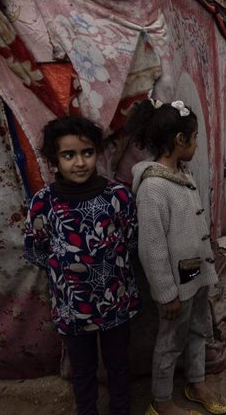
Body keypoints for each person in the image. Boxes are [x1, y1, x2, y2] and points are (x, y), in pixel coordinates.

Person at [24, 116, 141, 415]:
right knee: (83, 371)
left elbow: (131, 240)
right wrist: (63, 268)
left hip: (116, 303)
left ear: (97, 153)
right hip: (72, 309)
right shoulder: (43, 203)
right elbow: (35, 248)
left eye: (87, 153)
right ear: (55, 159)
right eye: (68, 154)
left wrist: (108, 268)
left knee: (118, 365)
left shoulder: (117, 196)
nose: (79, 162)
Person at [126, 99, 226, 415]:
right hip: (175, 285)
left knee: (199, 329)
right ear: (180, 141)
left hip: (195, 274)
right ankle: (161, 401)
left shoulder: (183, 174)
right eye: (195, 136)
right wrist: (166, 293)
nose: (196, 142)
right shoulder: (154, 187)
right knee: (171, 340)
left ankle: (196, 382)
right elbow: (152, 248)